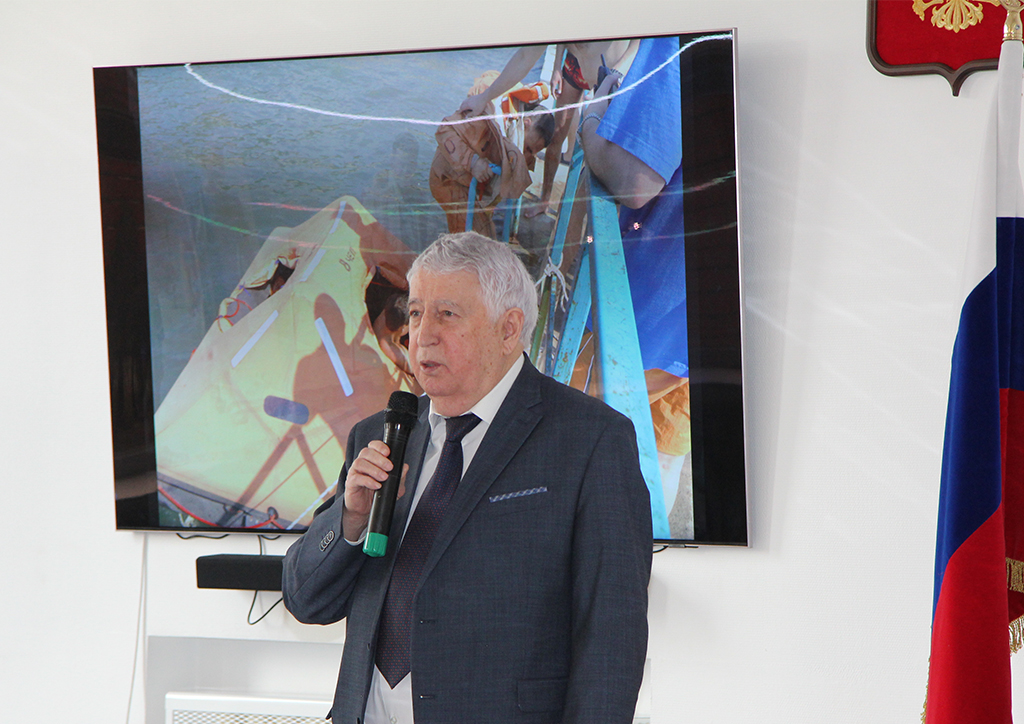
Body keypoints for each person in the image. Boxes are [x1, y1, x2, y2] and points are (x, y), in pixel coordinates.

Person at [282, 231, 653, 724]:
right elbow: (306, 601)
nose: (422, 335)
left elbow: (612, 637)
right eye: (416, 313)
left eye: (447, 314)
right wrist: (350, 518)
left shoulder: (590, 439)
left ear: (508, 329)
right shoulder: (381, 435)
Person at [429, 104, 554, 238]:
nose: (526, 156)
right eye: (528, 149)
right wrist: (473, 162)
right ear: (526, 123)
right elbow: (444, 129)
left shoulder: (518, 142)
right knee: (473, 241)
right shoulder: (490, 117)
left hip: (475, 191)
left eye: (532, 153)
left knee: (485, 239)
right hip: (449, 179)